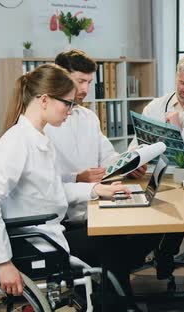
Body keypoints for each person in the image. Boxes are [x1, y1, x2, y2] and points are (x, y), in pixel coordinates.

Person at [0, 64, 142, 310]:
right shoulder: (16, 142)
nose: (71, 111)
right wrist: (3, 263)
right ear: (44, 100)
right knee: (110, 247)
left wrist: (96, 190)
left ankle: (117, 304)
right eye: (68, 103)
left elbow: (52, 192)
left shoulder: (38, 138)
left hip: (47, 232)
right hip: (33, 242)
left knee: (110, 242)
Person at [129, 53, 184, 279]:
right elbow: (135, 145)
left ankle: (165, 253)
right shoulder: (155, 106)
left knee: (183, 209)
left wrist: (175, 132)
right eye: (182, 83)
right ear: (176, 78)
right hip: (155, 175)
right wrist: (135, 159)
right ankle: (143, 254)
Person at [46, 49, 146, 225]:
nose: (85, 89)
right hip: (67, 214)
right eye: (80, 81)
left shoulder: (89, 117)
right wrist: (77, 177)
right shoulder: (45, 123)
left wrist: (129, 166)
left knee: (146, 219)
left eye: (89, 82)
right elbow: (42, 184)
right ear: (60, 80)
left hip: (95, 201)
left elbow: (108, 158)